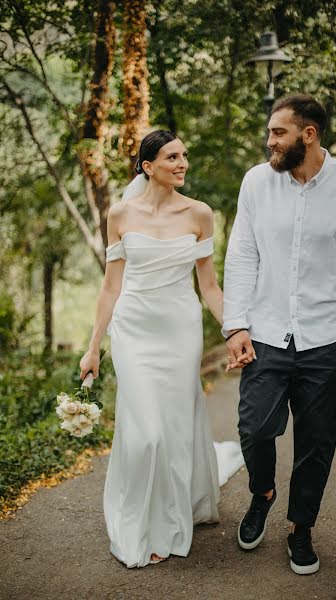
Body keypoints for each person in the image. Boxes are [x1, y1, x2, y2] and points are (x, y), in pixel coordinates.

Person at [223, 94, 336, 575]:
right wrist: (236, 324)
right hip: (267, 330)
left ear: (308, 134)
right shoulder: (257, 181)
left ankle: (301, 528)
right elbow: (241, 255)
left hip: (328, 335)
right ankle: (262, 494)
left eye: (278, 133)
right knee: (254, 429)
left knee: (317, 441)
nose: (269, 141)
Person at [79, 130, 242, 568]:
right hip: (133, 328)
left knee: (171, 426)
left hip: (179, 327)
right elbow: (110, 286)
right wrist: (93, 347)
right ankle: (139, 521)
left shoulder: (199, 214)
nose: (182, 163)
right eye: (172, 157)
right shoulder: (120, 214)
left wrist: (234, 331)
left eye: (184, 155)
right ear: (148, 166)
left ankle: (170, 518)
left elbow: (209, 286)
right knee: (145, 432)